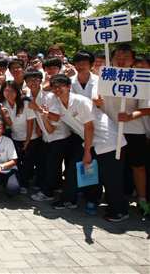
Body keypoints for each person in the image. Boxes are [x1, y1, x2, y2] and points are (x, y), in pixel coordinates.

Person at [50, 74, 130, 222]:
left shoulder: (80, 101)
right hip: (89, 141)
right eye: (54, 86)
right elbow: (54, 118)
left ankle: (120, 210)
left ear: (68, 87)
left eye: (61, 86)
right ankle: (69, 200)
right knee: (74, 168)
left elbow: (89, 127)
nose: (57, 89)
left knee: (111, 178)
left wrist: (87, 152)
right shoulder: (58, 103)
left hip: (108, 141)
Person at [92, 43, 150, 218]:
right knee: (115, 168)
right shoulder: (104, 77)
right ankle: (117, 198)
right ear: (112, 59)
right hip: (109, 132)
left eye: (126, 58)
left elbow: (146, 107)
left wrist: (131, 116)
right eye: (118, 58)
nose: (121, 61)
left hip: (134, 131)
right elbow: (95, 97)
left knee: (138, 166)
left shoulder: (141, 78)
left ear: (133, 60)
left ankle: (142, 199)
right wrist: (97, 100)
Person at [23, 69, 72, 200]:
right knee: (45, 163)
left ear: (41, 81)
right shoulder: (28, 93)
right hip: (46, 134)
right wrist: (39, 125)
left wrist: (36, 108)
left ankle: (48, 192)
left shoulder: (49, 96)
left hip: (59, 135)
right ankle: (53, 186)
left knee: (53, 164)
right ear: (26, 82)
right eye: (30, 80)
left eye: (36, 80)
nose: (33, 83)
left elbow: (56, 118)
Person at [0, 80, 40, 194]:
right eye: (7, 90)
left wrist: (27, 141)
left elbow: (30, 123)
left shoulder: (25, 104)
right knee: (18, 161)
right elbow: (9, 124)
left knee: (28, 162)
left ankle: (24, 185)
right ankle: (18, 181)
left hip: (30, 137)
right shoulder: (4, 104)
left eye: (12, 90)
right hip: (15, 137)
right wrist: (3, 114)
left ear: (18, 92)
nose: (9, 93)